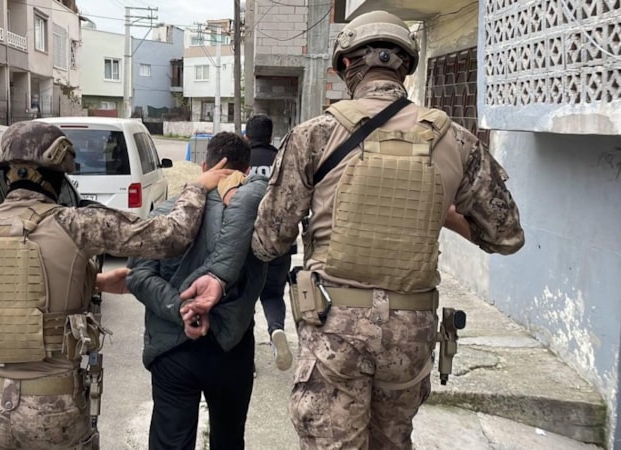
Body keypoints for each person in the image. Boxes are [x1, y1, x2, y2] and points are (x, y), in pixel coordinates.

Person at [248, 10, 525, 449]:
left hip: (334, 327)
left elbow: (268, 241)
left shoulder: (313, 136)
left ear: (345, 65)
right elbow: (506, 235)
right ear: (406, 66)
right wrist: (441, 211)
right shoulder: (456, 139)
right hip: (411, 333)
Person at [0, 120, 232, 450]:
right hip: (50, 410)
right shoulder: (75, 223)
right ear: (57, 176)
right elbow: (172, 236)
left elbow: (10, 291)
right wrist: (197, 186)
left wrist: (90, 282)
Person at [125, 132, 268, 450]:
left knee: (170, 441)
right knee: (229, 439)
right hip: (231, 345)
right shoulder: (255, 219)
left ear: (204, 166)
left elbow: (138, 277)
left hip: (171, 348)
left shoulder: (166, 212)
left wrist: (182, 309)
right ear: (246, 171)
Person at [245, 114, 294, 373]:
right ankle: (276, 331)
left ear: (247, 137)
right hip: (277, 241)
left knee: (244, 300)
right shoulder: (282, 159)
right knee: (273, 294)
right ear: (271, 136)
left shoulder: (241, 159)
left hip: (245, 242)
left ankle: (247, 360)